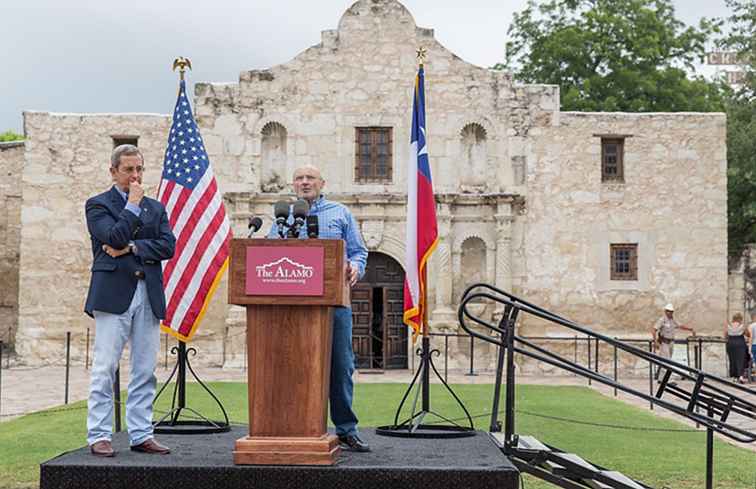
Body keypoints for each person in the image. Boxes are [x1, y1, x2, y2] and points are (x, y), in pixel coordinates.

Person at [267, 164, 370, 452]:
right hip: (291, 307)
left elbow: (359, 251)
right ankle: (291, 425)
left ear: (321, 183)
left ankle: (346, 430)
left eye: (310, 178)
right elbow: (267, 252)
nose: (304, 182)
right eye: (299, 178)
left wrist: (355, 267)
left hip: (334, 302)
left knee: (340, 365)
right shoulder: (283, 216)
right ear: (293, 184)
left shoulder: (339, 213)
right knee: (290, 366)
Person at [84, 144, 176, 457]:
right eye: (128, 170)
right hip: (113, 293)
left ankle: (141, 434)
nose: (135, 176)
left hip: (148, 292)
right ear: (113, 172)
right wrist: (132, 207)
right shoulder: (97, 205)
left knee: (145, 368)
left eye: (139, 169)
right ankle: (99, 434)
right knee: (105, 367)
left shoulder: (156, 207)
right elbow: (113, 237)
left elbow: (167, 246)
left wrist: (134, 247)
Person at [651, 303, 695, 380]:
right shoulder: (662, 320)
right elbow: (654, 330)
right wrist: (655, 342)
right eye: (668, 311)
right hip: (664, 342)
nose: (670, 313)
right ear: (665, 311)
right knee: (666, 360)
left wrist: (690, 329)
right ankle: (667, 379)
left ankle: (661, 379)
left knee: (668, 360)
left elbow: (680, 326)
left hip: (671, 342)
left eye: (671, 311)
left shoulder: (673, 320)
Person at [725, 312, 750, 383]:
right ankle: (740, 376)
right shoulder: (742, 326)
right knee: (741, 360)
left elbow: (726, 335)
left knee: (732, 360)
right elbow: (747, 334)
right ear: (740, 319)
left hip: (731, 343)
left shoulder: (728, 325)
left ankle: (734, 377)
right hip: (740, 343)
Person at [749, 312, 756, 381]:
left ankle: (754, 378)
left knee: (754, 362)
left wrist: (749, 347)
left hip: (754, 345)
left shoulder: (751, 326)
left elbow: (751, 337)